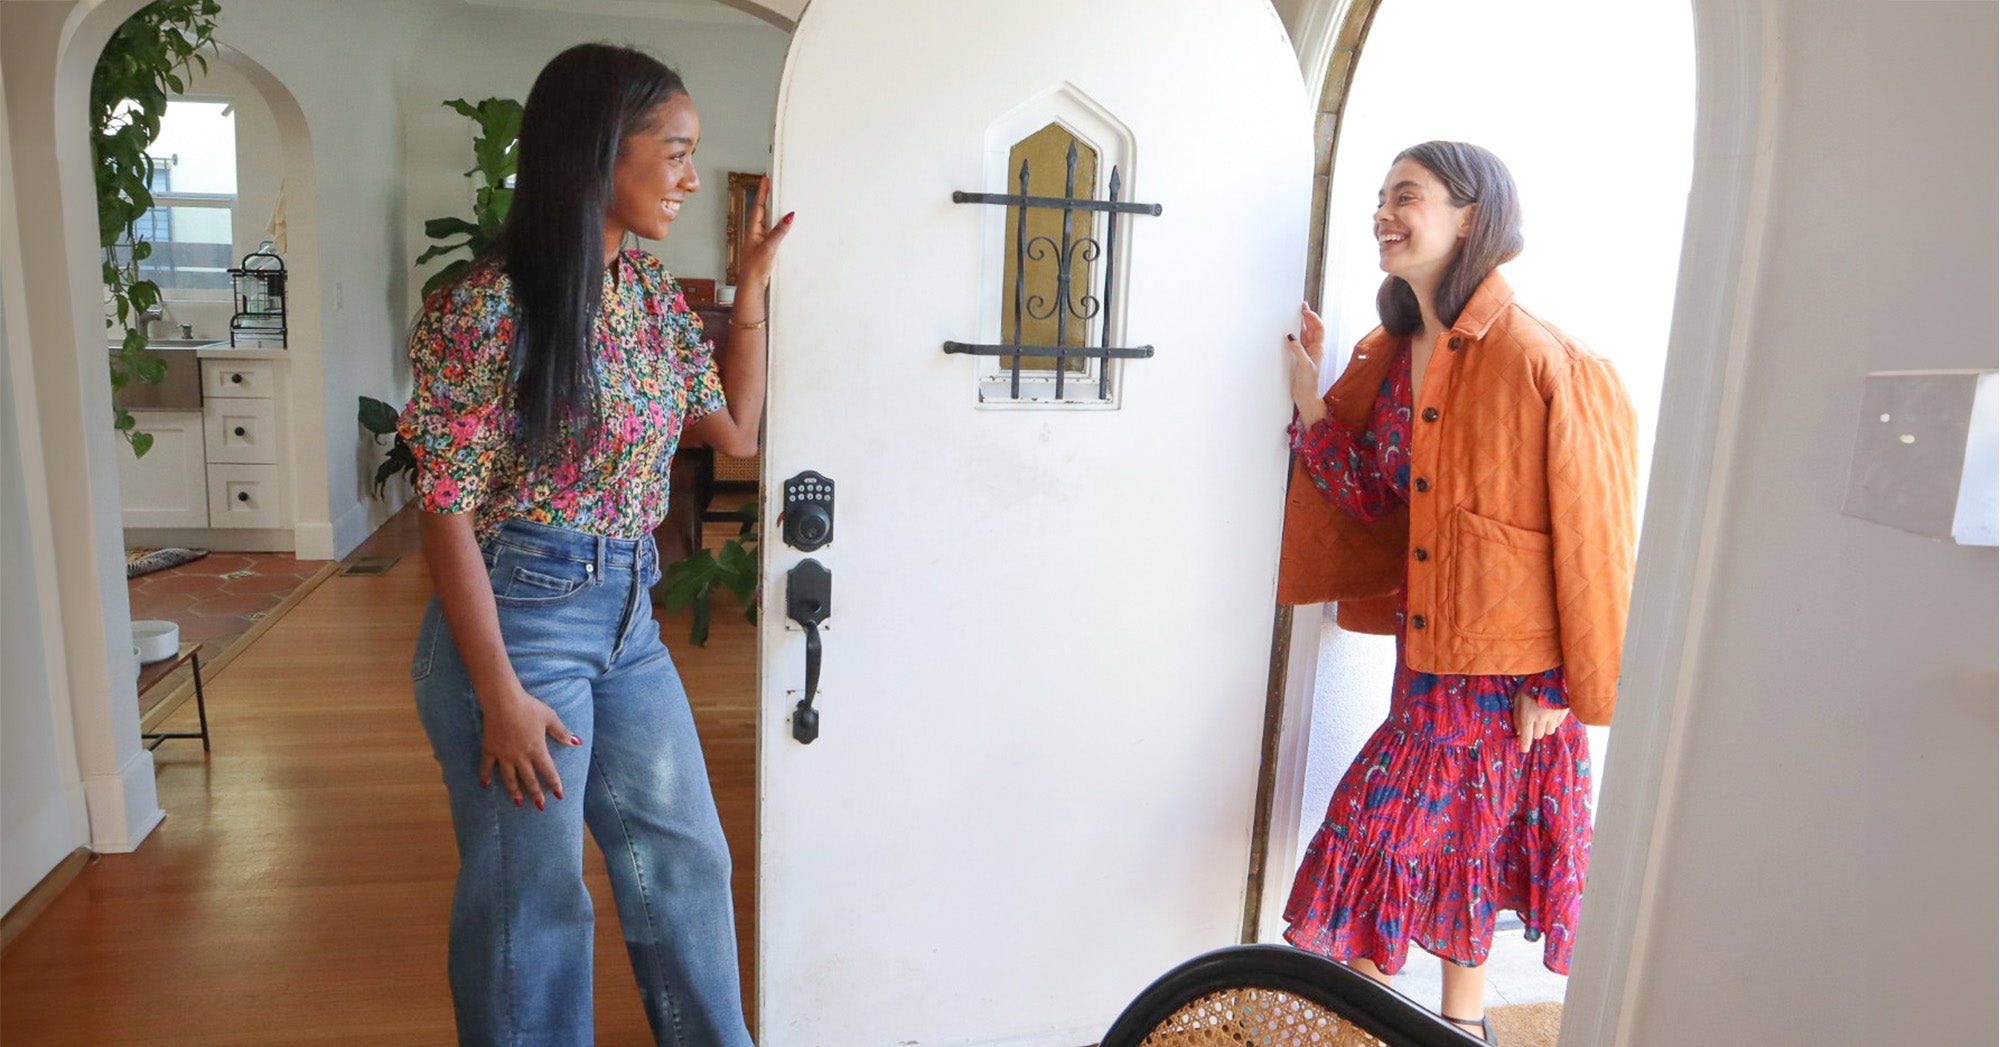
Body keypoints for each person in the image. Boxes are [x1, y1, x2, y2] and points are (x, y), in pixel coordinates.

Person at [398, 42, 790, 1047]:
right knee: (533, 902)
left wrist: (748, 290)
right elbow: (442, 505)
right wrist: (497, 694)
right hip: (519, 621)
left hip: (627, 617)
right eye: (676, 151)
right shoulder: (486, 306)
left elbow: (736, 433)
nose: (690, 176)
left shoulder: (648, 293)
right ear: (598, 151)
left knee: (686, 860)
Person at [1275, 141, 1637, 1044]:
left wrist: (1559, 683)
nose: (1383, 213)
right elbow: (1372, 492)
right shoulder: (1396, 354)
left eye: (1407, 196)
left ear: (1471, 216)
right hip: (1429, 657)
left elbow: (1594, 535)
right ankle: (1441, 1029)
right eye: (1381, 197)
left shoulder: (1545, 358)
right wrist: (1311, 397)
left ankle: (1410, 1025)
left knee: (1402, 840)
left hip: (1514, 681)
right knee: (1450, 851)